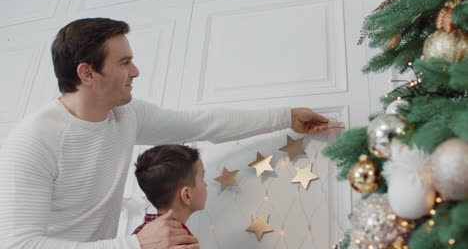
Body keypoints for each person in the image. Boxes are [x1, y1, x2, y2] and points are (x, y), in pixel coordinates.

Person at [0, 18, 329, 249]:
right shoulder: (33, 141)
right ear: (87, 73)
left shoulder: (127, 114)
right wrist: (135, 244)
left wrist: (287, 116)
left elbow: (201, 123)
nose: (135, 71)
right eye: (124, 62)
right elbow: (18, 244)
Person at [132, 145, 206, 238]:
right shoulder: (178, 240)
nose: (206, 185)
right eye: (202, 179)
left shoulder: (142, 234)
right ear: (187, 195)